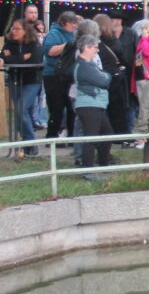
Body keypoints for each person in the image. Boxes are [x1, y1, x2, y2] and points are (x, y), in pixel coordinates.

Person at [73, 35, 113, 181]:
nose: (97, 50)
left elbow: (104, 77)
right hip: (89, 105)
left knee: (107, 133)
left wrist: (105, 76)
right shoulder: (84, 66)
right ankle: (88, 171)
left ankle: (103, 164)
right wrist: (105, 77)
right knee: (91, 138)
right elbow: (104, 80)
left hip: (96, 104)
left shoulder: (89, 64)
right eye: (95, 47)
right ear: (87, 47)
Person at [1, 20, 42, 155]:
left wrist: (11, 58)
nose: (14, 31)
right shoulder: (8, 43)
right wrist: (21, 58)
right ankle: (26, 144)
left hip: (31, 81)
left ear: (26, 30)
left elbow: (35, 60)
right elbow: (3, 59)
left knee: (21, 109)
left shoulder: (34, 43)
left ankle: (30, 144)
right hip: (15, 80)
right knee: (21, 114)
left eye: (17, 29)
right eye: (13, 28)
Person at [42, 10, 78, 139]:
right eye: (72, 23)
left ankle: (72, 137)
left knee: (71, 108)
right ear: (63, 23)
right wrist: (68, 45)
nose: (74, 26)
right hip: (53, 75)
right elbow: (50, 51)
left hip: (68, 76)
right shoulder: (54, 34)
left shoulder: (73, 34)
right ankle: (51, 136)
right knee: (56, 108)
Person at [94, 14, 131, 139]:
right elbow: (122, 57)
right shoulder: (114, 40)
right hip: (115, 75)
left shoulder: (95, 42)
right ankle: (121, 135)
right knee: (118, 108)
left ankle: (105, 133)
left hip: (101, 75)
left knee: (103, 107)